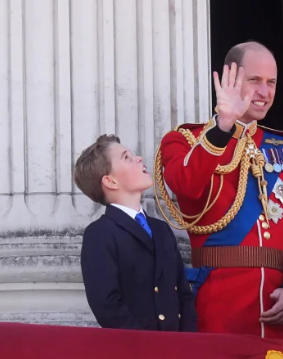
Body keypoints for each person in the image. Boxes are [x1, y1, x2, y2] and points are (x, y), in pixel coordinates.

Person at [156, 41, 283, 338]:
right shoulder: (184, 140)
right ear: (229, 79)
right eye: (255, 80)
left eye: (271, 82)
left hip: (279, 307)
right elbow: (185, 186)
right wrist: (223, 127)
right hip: (218, 306)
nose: (265, 92)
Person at [75, 135, 197, 332]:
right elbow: (107, 306)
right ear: (110, 181)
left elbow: (183, 293)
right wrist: (148, 345)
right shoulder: (100, 233)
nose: (139, 158)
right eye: (126, 157)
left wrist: (186, 342)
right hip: (137, 350)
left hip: (178, 348)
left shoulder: (161, 229)